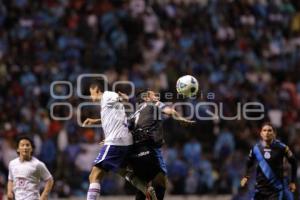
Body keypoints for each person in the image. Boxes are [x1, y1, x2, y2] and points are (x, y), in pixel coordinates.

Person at [82, 80, 157, 200]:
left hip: (116, 141)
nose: (91, 97)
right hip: (123, 141)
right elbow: (115, 117)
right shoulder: (106, 104)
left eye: (91, 93)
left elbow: (120, 98)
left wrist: (125, 97)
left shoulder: (107, 95)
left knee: (94, 175)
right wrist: (94, 121)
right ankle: (146, 190)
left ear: (97, 90)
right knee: (122, 170)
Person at [128, 89, 195, 200]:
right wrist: (181, 119)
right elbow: (171, 112)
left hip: (134, 154)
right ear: (146, 98)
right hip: (149, 149)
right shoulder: (153, 104)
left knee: (143, 186)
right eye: (154, 95)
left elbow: (125, 128)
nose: (157, 97)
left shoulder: (133, 114)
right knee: (161, 181)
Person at [240, 123, 297, 200]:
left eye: (269, 130)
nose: (267, 133)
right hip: (259, 190)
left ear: (274, 133)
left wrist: (293, 181)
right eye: (264, 130)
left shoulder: (282, 148)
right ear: (261, 133)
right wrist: (246, 176)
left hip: (275, 191)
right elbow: (249, 162)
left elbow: (294, 162)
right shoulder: (256, 148)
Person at [7, 136, 54, 200]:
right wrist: (9, 192)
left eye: (27, 145)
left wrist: (44, 196)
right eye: (22, 145)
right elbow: (11, 180)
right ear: (18, 149)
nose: (25, 147)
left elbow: (50, 180)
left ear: (31, 149)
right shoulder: (12, 164)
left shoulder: (38, 164)